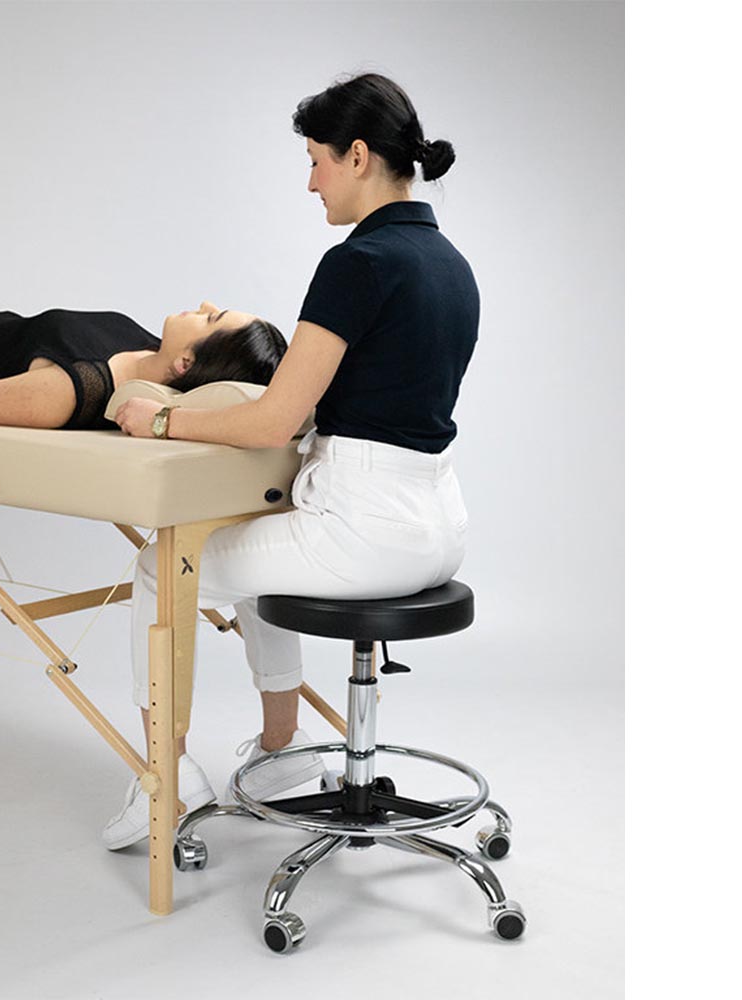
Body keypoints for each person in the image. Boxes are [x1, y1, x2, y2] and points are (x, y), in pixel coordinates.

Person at [103, 72, 479, 850]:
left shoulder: (358, 261)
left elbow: (278, 417)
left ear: (358, 156)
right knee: (241, 548)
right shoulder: (451, 263)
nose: (311, 183)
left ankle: (164, 779)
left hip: (366, 533)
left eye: (316, 161)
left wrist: (162, 417)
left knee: (161, 567)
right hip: (440, 526)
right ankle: (282, 750)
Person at [0, 304, 287, 429]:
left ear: (186, 363)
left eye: (211, 318)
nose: (205, 305)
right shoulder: (150, 349)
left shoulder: (75, 389)